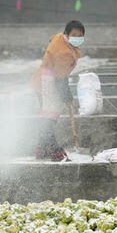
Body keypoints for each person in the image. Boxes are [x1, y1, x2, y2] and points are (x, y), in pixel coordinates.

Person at [30, 20, 85, 161]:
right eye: (74, 34)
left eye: (80, 35)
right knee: (49, 117)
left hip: (43, 80)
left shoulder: (61, 39)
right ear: (67, 34)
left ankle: (41, 149)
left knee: (49, 116)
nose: (77, 37)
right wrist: (66, 95)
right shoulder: (64, 52)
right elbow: (61, 78)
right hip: (48, 82)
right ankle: (54, 150)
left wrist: (65, 94)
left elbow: (62, 75)